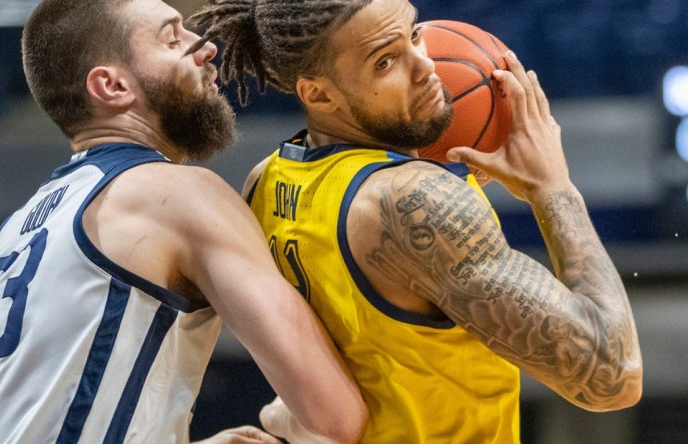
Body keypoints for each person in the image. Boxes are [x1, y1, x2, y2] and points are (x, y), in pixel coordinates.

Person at [188, 0, 644, 442]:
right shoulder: (409, 200)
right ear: (318, 93)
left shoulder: (267, 180)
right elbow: (613, 376)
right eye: (385, 62)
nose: (426, 66)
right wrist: (554, 189)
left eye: (414, 34)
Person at [0, 0, 368, 442]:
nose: (206, 48)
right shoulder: (175, 194)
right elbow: (334, 418)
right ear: (112, 86)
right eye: (173, 38)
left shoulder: (21, 224)